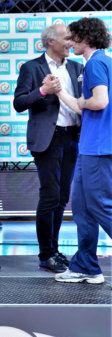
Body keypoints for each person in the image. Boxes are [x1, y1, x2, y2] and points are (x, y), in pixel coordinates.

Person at [13, 24, 83, 273]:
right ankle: (46, 254)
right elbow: (19, 103)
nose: (70, 42)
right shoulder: (32, 67)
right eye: (66, 38)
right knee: (50, 196)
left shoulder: (77, 68)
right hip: (48, 139)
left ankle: (54, 250)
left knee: (62, 198)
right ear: (50, 41)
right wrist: (43, 91)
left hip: (72, 137)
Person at [53, 17, 111, 284]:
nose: (69, 42)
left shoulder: (96, 63)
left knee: (101, 206)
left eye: (72, 37)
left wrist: (85, 101)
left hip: (98, 147)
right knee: (82, 207)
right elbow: (81, 105)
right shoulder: (102, 61)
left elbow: (99, 102)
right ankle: (86, 266)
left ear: (84, 38)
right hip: (91, 145)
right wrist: (59, 92)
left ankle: (86, 266)